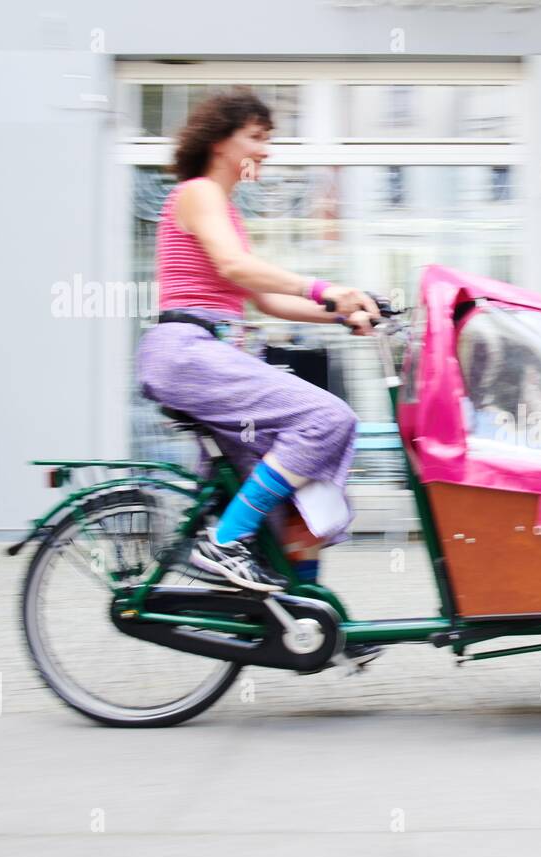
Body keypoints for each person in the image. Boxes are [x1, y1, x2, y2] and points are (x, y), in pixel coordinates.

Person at [136, 89, 378, 594]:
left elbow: (266, 300)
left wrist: (341, 313)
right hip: (188, 352)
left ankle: (313, 623)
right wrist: (322, 287)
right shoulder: (199, 192)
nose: (266, 151)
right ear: (223, 142)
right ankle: (223, 544)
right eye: (257, 138)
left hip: (209, 354)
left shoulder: (226, 212)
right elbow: (233, 266)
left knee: (301, 495)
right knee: (328, 418)